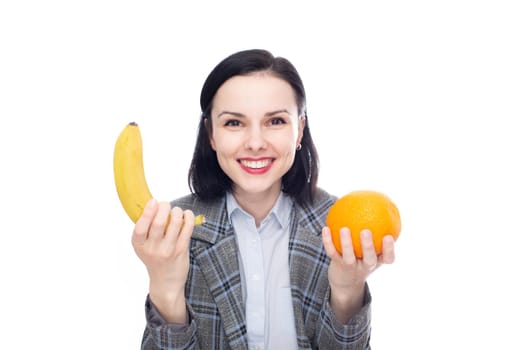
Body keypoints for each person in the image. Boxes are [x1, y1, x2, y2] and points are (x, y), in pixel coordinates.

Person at [131, 49, 396, 350]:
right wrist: (165, 290)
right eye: (234, 123)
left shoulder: (338, 227)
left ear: (300, 131)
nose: (256, 143)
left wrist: (348, 290)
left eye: (276, 122)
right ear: (211, 135)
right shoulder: (173, 230)